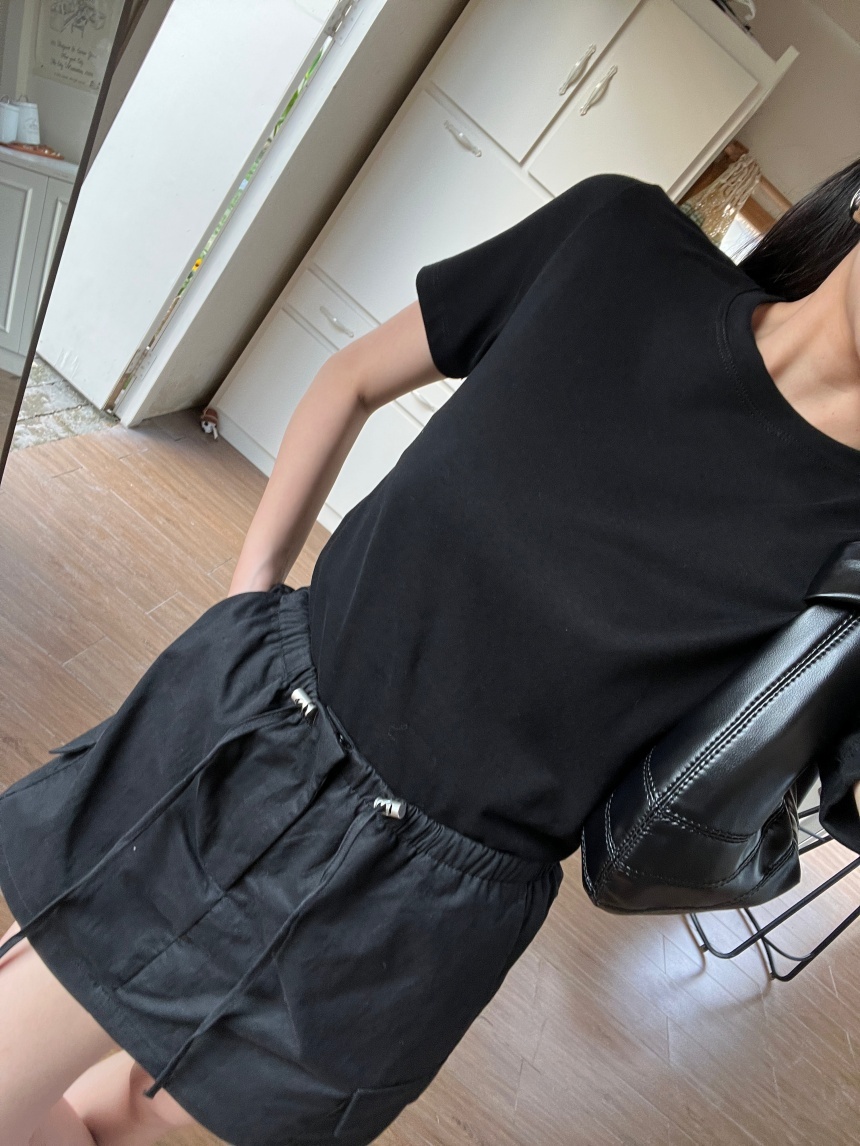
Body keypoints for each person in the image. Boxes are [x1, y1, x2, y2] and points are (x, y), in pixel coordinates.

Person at [2, 158, 860, 1146]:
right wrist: (248, 594)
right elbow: (352, 377)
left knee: (118, 1120)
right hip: (251, 749)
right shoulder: (617, 244)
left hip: (418, 918)